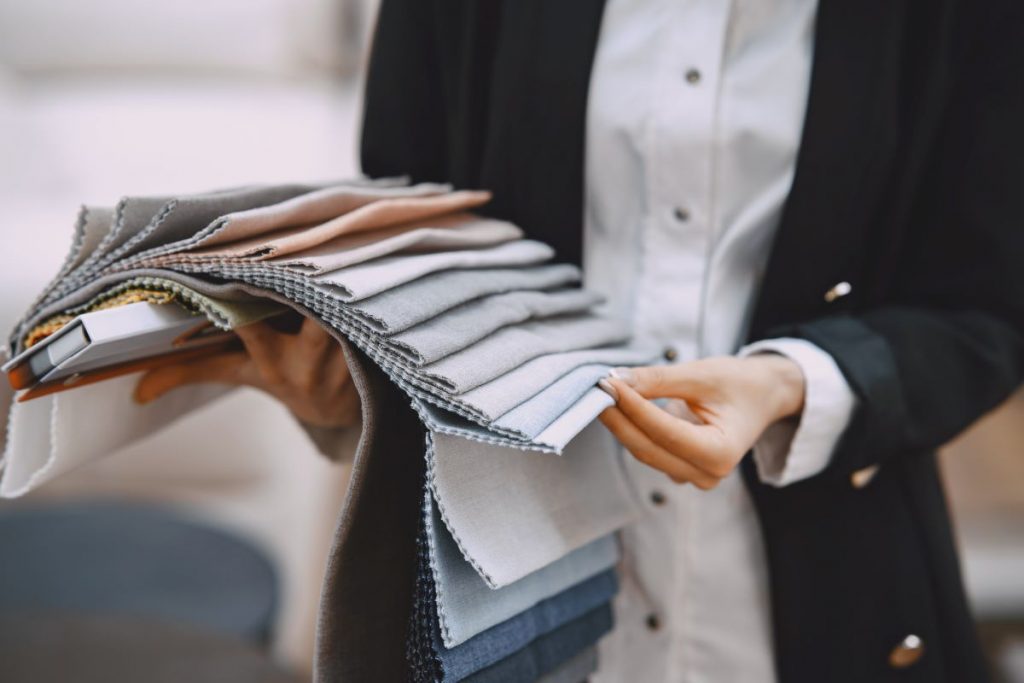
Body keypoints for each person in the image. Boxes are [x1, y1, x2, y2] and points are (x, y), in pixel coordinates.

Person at [136, 0, 1024, 680]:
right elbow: (412, 244)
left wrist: (795, 383)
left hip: (830, 597)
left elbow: (987, 311)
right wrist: (355, 384)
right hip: (501, 599)